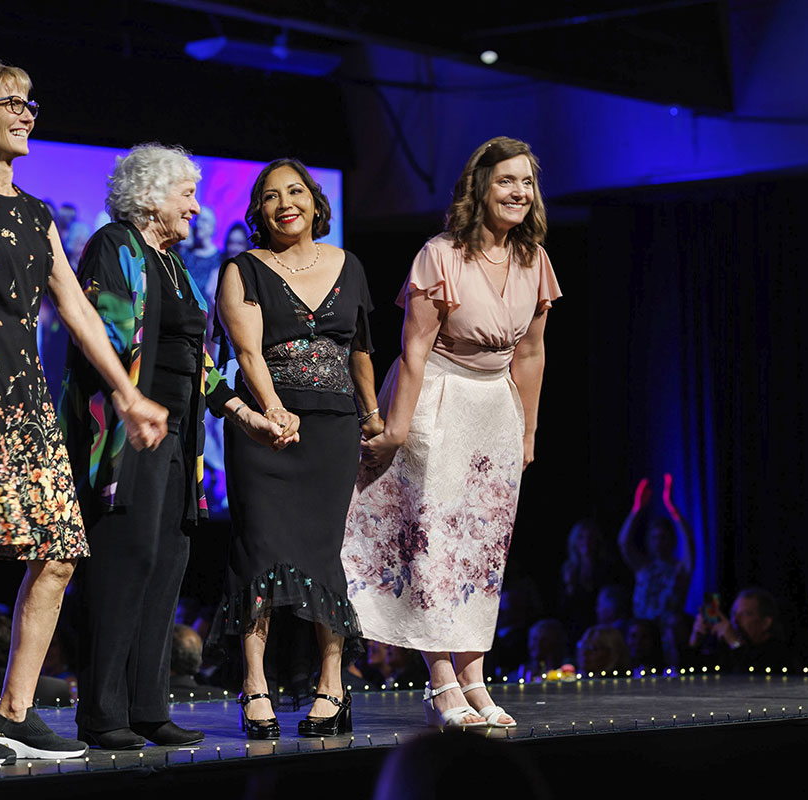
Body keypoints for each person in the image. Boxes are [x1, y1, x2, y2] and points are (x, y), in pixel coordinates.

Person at [0, 60, 167, 767]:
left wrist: (128, 393)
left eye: (30, 103)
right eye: (10, 103)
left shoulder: (35, 213)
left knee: (60, 554)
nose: (26, 114)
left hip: (24, 401)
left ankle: (13, 711)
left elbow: (77, 311)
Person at [61, 144, 283, 750]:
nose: (195, 206)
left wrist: (242, 413)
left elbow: (202, 362)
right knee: (123, 563)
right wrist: (134, 404)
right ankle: (103, 713)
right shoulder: (115, 247)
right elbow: (101, 337)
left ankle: (147, 707)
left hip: (179, 440)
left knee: (165, 565)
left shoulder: (177, 265)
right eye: (185, 194)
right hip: (129, 436)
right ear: (151, 196)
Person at [342, 136, 561, 729]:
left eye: (527, 182)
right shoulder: (439, 254)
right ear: (480, 188)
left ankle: (474, 677)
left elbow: (533, 353)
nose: (519, 192)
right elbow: (413, 351)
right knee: (434, 542)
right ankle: (441, 683)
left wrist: (529, 431)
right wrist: (397, 428)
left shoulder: (532, 257)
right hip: (437, 398)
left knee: (483, 551)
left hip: (496, 408)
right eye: (506, 181)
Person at [211, 157, 380, 739]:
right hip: (266, 430)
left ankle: (332, 685)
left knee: (322, 555)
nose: (285, 203)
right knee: (258, 551)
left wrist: (374, 417)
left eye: (296, 191)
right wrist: (272, 409)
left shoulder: (348, 265)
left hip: (332, 429)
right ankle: (255, 684)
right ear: (258, 210)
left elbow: (359, 350)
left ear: (314, 201)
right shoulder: (244, 269)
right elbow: (249, 352)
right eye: (271, 196)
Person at [618, 474, 695, 623]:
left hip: (668, 635)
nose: (658, 542)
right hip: (642, 633)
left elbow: (690, 541)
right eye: (654, 538)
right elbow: (623, 543)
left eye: (663, 537)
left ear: (672, 540)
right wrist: (637, 509)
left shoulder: (680, 570)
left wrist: (673, 509)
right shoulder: (644, 567)